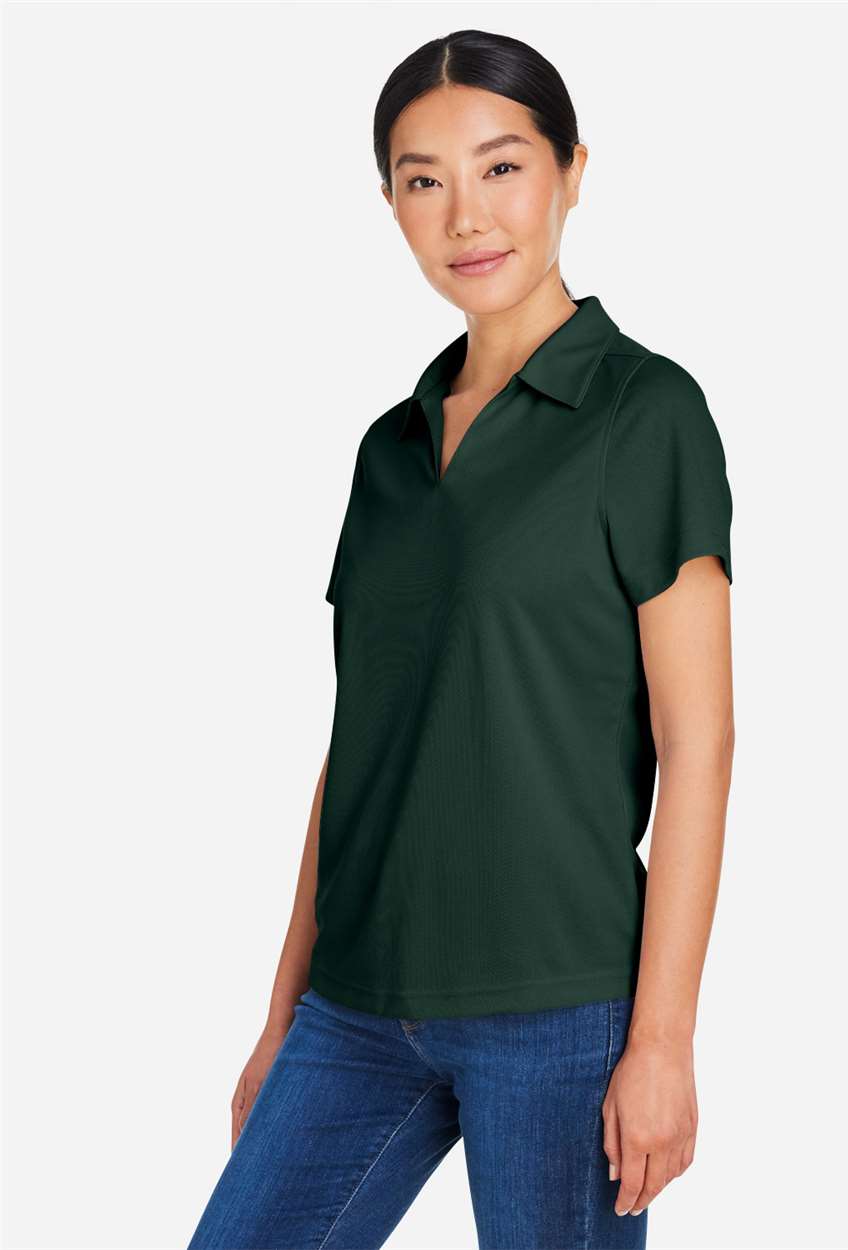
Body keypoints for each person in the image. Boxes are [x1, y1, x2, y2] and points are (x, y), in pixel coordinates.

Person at [188, 27, 734, 1250]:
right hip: (355, 1003)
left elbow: (698, 743)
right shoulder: (389, 449)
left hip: (557, 1004)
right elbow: (360, 746)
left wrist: (662, 1039)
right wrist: (283, 1015)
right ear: (389, 203)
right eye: (423, 179)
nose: (465, 215)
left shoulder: (643, 411)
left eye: (501, 167)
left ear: (571, 172)